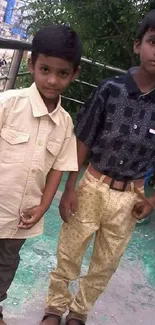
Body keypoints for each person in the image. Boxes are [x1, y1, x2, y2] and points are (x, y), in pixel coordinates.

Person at [41, 9, 155, 325]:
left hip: (130, 198)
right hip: (92, 184)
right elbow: (84, 139)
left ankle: (78, 313)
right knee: (69, 252)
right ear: (138, 45)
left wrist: (151, 201)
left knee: (106, 263)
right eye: (153, 41)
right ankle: (54, 309)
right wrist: (69, 189)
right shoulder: (111, 89)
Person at [0, 24, 82, 325]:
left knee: (6, 264)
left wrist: (43, 207)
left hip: (20, 217)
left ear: (74, 73)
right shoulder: (8, 104)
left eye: (62, 73)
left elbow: (58, 169)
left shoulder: (64, 123)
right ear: (31, 64)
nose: (52, 79)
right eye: (45, 69)